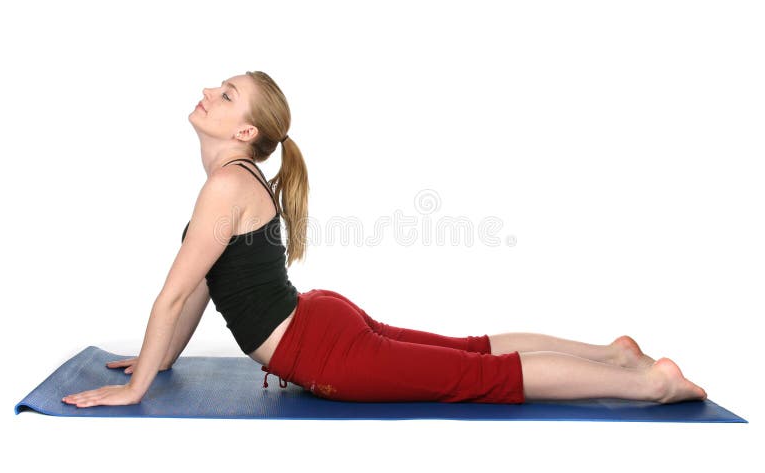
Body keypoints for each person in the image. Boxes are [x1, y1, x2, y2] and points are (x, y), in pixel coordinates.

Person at [62, 71, 708, 408]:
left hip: (326, 352)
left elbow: (172, 296)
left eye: (226, 93)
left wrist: (136, 387)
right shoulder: (234, 182)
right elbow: (203, 284)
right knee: (470, 352)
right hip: (321, 324)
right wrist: (159, 361)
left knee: (476, 376)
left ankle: (645, 383)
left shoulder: (225, 188)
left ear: (246, 133)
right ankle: (611, 353)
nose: (208, 90)